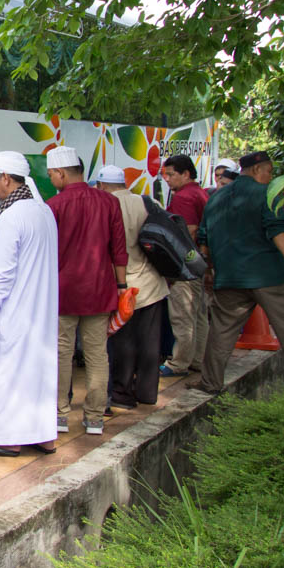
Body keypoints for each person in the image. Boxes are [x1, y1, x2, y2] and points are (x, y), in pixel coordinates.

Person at [198, 151, 284, 393]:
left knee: (221, 332)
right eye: (269, 171)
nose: (271, 177)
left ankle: (210, 382)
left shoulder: (215, 197)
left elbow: (204, 237)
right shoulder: (268, 194)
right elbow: (276, 228)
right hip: (268, 275)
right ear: (257, 170)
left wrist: (209, 270)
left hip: (229, 275)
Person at [0, 152, 60, 456]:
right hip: (41, 311)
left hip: (15, 309)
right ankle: (44, 437)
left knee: (3, 371)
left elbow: (1, 273)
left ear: (6, 178)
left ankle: (7, 440)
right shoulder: (43, 211)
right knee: (37, 373)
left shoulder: (10, 217)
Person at [45, 147, 127, 436]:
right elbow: (119, 249)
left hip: (63, 291)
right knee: (96, 355)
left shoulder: (53, 206)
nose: (51, 179)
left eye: (51, 174)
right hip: (100, 289)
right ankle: (94, 418)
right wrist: (122, 286)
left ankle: (59, 415)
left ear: (62, 173)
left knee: (61, 354)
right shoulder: (108, 202)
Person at [97, 169, 169, 408]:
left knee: (122, 341)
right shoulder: (148, 202)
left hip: (121, 285)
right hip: (151, 283)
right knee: (150, 341)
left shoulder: (104, 206)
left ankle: (122, 393)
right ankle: (147, 393)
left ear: (101, 184)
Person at [159, 155, 209, 379]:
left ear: (186, 174)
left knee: (182, 315)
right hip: (198, 263)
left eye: (171, 174)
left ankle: (178, 362)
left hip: (185, 265)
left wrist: (174, 261)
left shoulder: (184, 197)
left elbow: (188, 231)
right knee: (198, 314)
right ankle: (196, 359)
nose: (167, 179)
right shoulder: (200, 193)